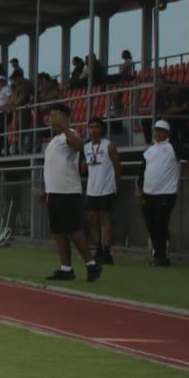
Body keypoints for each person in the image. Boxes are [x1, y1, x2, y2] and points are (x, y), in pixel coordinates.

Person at [138, 119, 189, 267]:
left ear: (167, 133)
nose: (158, 133)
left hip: (166, 192)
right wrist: (138, 189)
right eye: (156, 131)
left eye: (161, 131)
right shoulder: (149, 151)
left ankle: (161, 255)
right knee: (151, 224)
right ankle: (158, 254)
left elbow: (188, 153)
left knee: (161, 222)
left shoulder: (172, 146)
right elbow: (142, 172)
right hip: (148, 193)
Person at [40, 103, 101, 283]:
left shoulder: (70, 133)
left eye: (54, 115)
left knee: (74, 230)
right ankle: (66, 268)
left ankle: (91, 264)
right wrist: (47, 189)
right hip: (55, 191)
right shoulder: (53, 141)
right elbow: (53, 168)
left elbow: (78, 145)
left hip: (68, 191)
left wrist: (65, 126)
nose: (51, 119)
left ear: (65, 117)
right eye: (50, 115)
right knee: (58, 231)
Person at [83, 117, 121, 265]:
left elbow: (117, 165)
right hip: (92, 188)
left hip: (106, 187)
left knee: (105, 218)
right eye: (91, 126)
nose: (93, 129)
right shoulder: (86, 147)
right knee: (92, 218)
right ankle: (97, 247)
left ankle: (106, 250)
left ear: (102, 129)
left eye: (96, 126)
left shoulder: (109, 145)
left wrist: (116, 185)